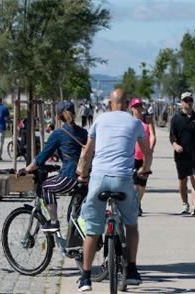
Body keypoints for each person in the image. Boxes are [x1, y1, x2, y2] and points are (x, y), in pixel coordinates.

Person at [77, 88, 152, 291]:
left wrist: (83, 175)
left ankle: (85, 277)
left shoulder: (99, 121)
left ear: (110, 104)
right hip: (122, 180)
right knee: (131, 224)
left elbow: (86, 154)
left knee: (92, 230)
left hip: (99, 180)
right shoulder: (135, 123)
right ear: (127, 104)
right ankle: (133, 270)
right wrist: (144, 171)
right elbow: (147, 154)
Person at [18, 101, 87, 232]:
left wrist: (26, 169)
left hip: (69, 176)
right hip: (85, 177)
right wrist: (56, 167)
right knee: (75, 213)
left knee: (46, 187)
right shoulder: (83, 132)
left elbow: (41, 158)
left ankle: (54, 222)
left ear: (58, 116)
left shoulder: (58, 134)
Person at [169, 91, 195, 216]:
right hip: (181, 156)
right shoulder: (176, 119)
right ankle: (185, 204)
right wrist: (175, 145)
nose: (188, 102)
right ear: (181, 102)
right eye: (186, 100)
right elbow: (172, 137)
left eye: (190, 100)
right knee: (182, 180)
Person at [130, 97, 156, 216]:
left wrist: (150, 149)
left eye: (140, 106)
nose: (138, 109)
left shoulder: (147, 121)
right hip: (133, 156)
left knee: (142, 183)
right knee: (135, 182)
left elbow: (152, 136)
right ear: (132, 109)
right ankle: (135, 205)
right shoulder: (129, 122)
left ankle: (137, 203)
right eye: (136, 107)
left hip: (145, 156)